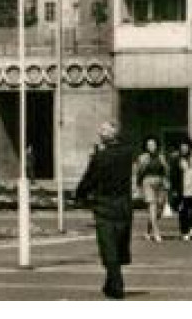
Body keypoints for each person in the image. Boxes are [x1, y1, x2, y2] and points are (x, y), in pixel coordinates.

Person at [75, 121, 135, 300]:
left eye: (102, 131)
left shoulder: (100, 157)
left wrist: (79, 195)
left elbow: (90, 179)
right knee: (119, 243)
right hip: (124, 205)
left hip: (105, 204)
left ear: (105, 136)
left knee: (108, 244)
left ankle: (117, 283)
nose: (99, 133)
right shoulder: (127, 154)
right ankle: (110, 283)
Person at [133, 137, 169, 242]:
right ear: (146, 147)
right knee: (152, 206)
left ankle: (148, 231)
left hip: (160, 182)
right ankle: (156, 232)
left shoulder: (161, 157)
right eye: (149, 145)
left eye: (153, 144)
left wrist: (167, 182)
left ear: (157, 145)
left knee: (159, 209)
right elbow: (138, 172)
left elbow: (166, 171)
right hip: (147, 182)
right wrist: (137, 186)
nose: (151, 147)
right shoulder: (142, 158)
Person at [171, 137, 192, 241]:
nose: (184, 149)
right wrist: (175, 190)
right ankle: (185, 232)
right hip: (183, 190)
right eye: (182, 147)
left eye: (186, 147)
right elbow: (174, 176)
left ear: (190, 147)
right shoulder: (177, 160)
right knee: (184, 212)